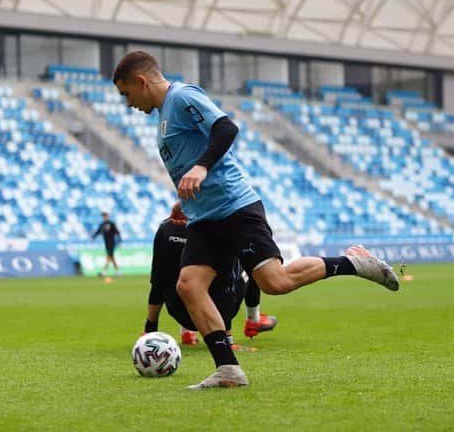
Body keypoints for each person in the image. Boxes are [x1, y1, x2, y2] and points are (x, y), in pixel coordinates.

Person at [113, 51, 399, 389]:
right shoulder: (164, 116)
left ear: (141, 81)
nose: (128, 103)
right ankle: (228, 370)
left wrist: (202, 166)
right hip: (203, 217)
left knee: (274, 282)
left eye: (126, 93)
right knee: (189, 285)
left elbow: (225, 127)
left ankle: (354, 263)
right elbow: (190, 159)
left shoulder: (182, 97)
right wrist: (183, 201)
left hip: (235, 209)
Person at [144, 202, 277, 349]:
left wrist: (150, 329)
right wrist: (227, 338)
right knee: (251, 265)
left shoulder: (165, 228)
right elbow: (226, 285)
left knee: (180, 269)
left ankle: (186, 332)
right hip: (213, 316)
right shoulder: (219, 228)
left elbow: (158, 280)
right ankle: (253, 320)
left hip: (178, 312)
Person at [92, 211, 122, 276]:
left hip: (112, 242)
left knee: (109, 256)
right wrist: (93, 236)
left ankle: (104, 272)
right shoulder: (102, 224)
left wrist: (119, 240)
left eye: (105, 216)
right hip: (106, 243)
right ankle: (118, 271)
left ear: (107, 216)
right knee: (111, 256)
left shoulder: (111, 224)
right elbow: (98, 231)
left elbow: (117, 232)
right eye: (103, 216)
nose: (104, 217)